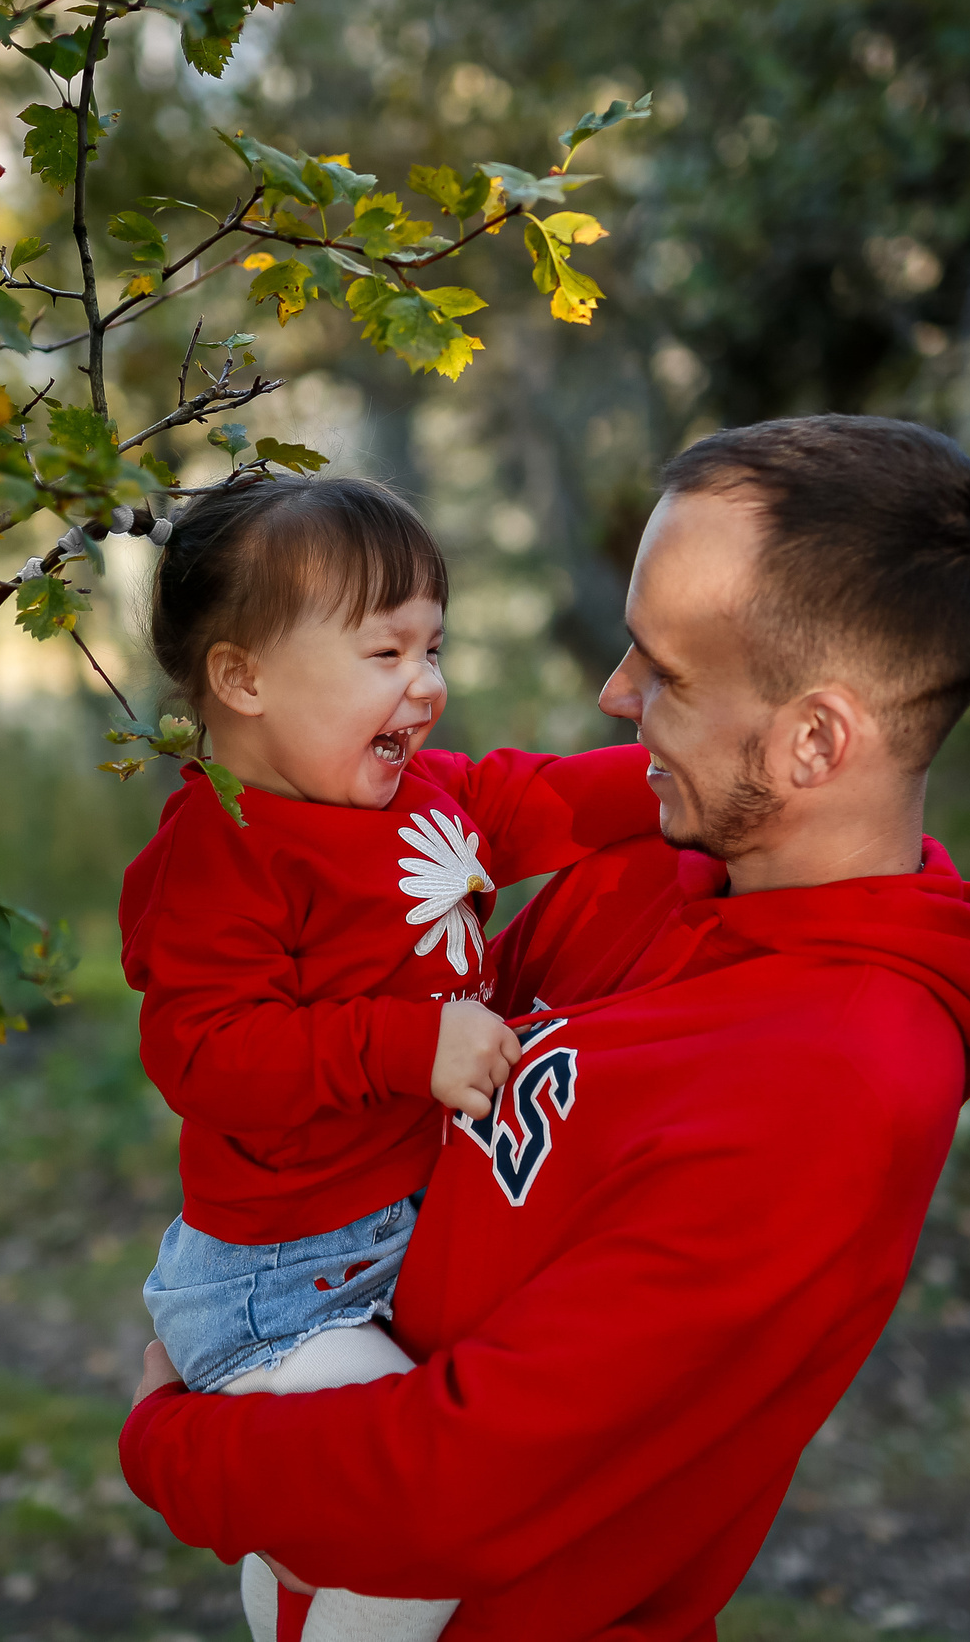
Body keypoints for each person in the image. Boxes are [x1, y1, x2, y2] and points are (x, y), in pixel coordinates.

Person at [118, 415, 970, 1642]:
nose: (612, 694)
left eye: (665, 671)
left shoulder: (840, 1086)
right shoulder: (656, 869)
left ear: (817, 739)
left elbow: (459, 1487)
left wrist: (170, 1443)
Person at [113, 476, 661, 1642]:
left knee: (410, 1524)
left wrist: (685, 781)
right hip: (278, 1287)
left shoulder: (428, 802)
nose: (426, 683)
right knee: (413, 1535)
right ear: (243, 678)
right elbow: (206, 1055)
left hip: (396, 1243)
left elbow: (545, 797)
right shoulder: (223, 854)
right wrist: (409, 1044)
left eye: (433, 647)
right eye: (384, 651)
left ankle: (288, 1594)